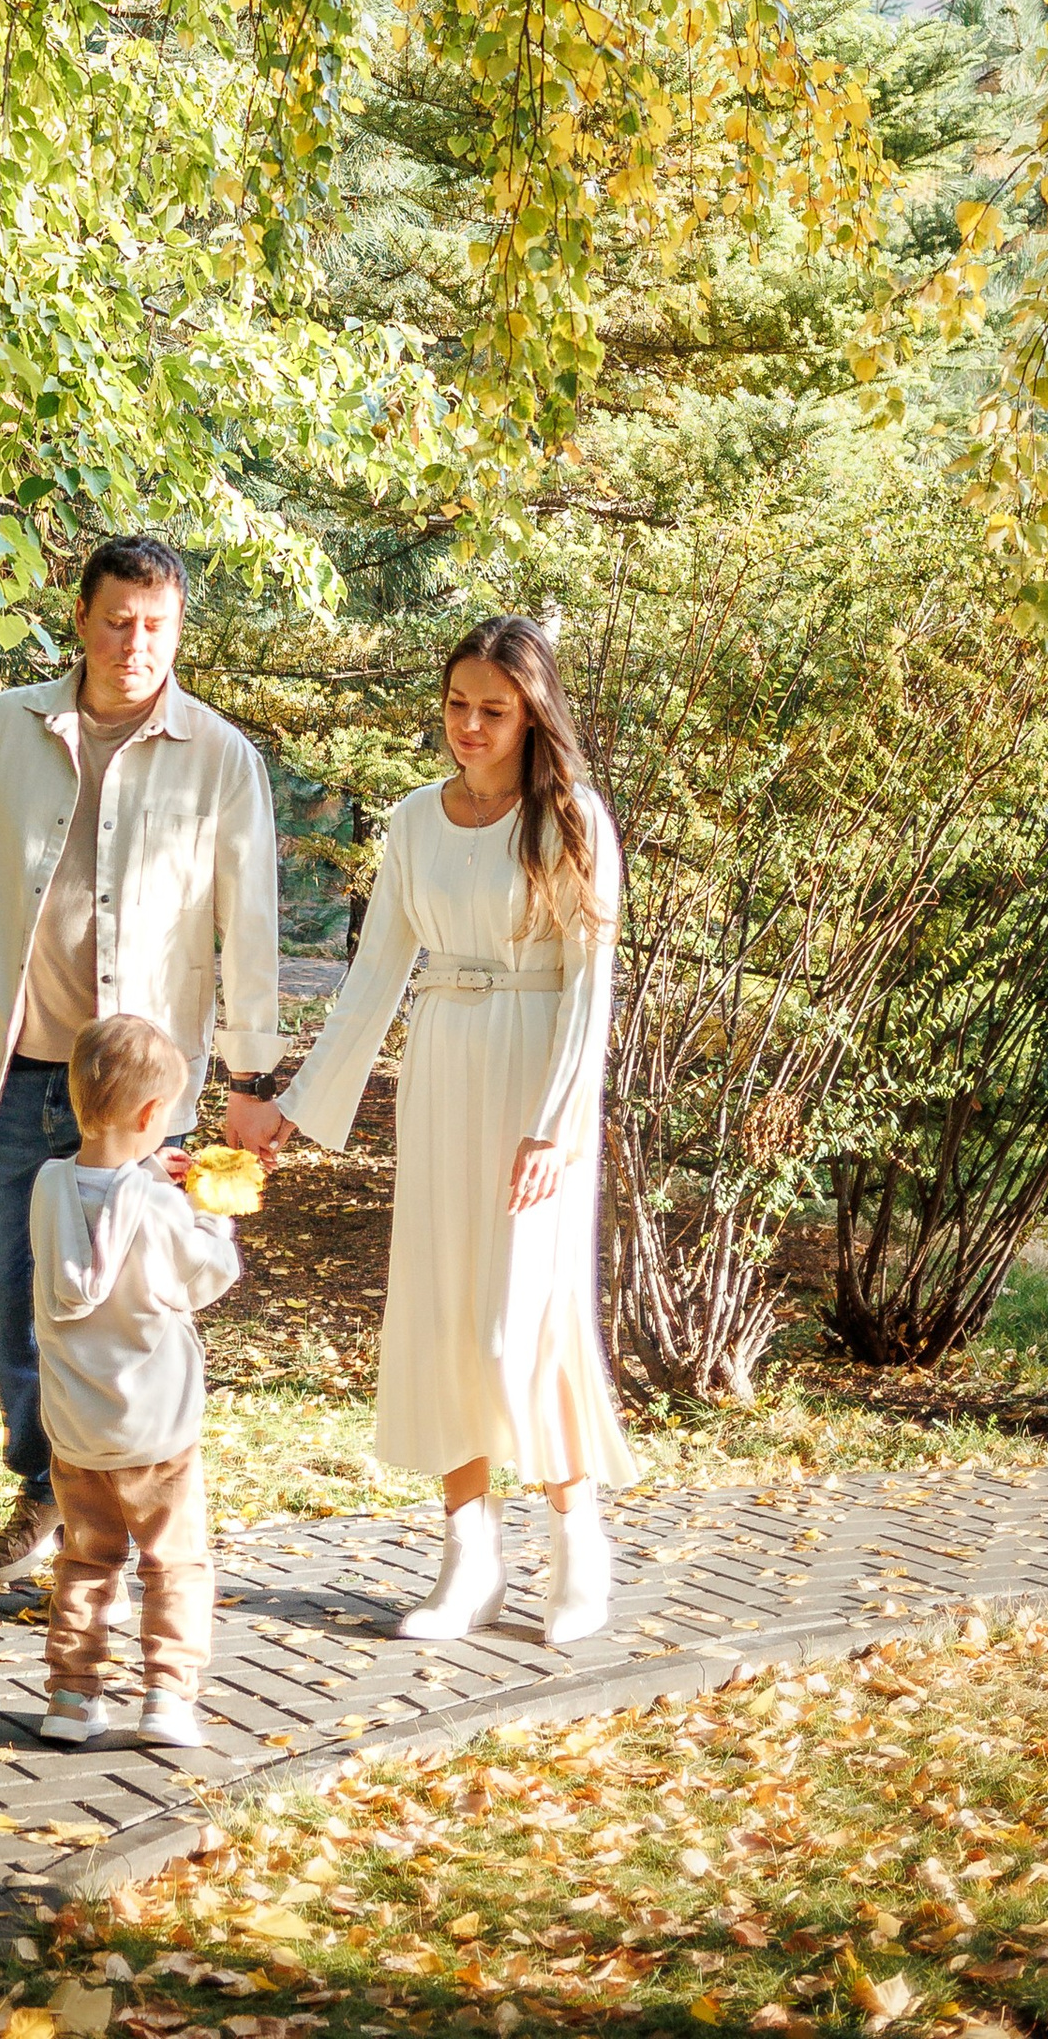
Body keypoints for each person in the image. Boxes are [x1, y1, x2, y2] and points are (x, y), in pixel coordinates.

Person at [237, 612, 636, 1644]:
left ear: (531, 712)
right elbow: (375, 981)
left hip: (538, 1086)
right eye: (456, 705)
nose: (468, 725)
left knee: (525, 1317)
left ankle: (577, 1549)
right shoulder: (413, 822)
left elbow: (592, 990)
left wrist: (555, 1128)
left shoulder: (573, 818)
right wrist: (298, 1107)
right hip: (446, 1072)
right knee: (446, 1309)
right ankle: (469, 1562)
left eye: (492, 710)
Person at [0, 534, 286, 1588]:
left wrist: (251, 1082)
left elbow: (249, 932)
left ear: (178, 631)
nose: (135, 644)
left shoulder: (219, 757)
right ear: (78, 619)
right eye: (117, 620)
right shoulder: (4, 727)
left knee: (116, 1328)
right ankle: (50, 1485)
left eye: (156, 626)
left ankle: (93, 1521)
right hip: (7, 1073)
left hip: (133, 1113)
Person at [28, 1008, 239, 1748]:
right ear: (155, 1114)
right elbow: (207, 1277)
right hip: (157, 1430)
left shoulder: (47, 1185)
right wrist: (210, 1213)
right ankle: (169, 1699)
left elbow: (103, 1200)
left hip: (77, 1430)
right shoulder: (158, 1208)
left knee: (87, 1560)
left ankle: (72, 1697)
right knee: (173, 1561)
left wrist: (151, 1177)